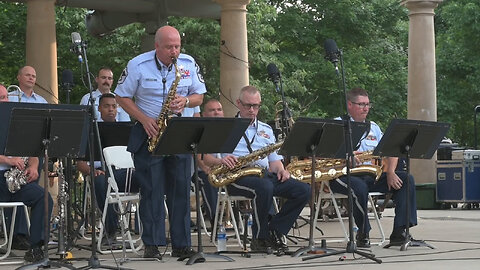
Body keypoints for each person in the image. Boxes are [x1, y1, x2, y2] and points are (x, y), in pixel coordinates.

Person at [115, 25, 206, 259]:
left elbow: (200, 96)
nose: (173, 51)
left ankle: (181, 244)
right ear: (157, 46)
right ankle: (152, 244)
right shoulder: (137, 65)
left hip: (179, 133)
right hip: (150, 131)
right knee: (152, 189)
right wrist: (144, 120)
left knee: (181, 190)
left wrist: (185, 101)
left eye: (177, 46)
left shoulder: (187, 63)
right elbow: (121, 96)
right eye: (168, 47)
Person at [206, 86, 310, 253]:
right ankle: (259, 238)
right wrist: (221, 160)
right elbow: (206, 158)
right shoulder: (225, 127)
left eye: (256, 106)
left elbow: (274, 162)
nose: (253, 110)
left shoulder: (266, 130)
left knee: (303, 190)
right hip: (236, 177)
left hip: (263, 175)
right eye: (248, 106)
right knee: (265, 188)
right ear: (239, 103)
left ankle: (274, 231)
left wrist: (282, 170)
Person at [329, 87, 418, 247]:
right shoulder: (337, 124)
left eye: (368, 104)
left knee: (407, 180)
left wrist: (390, 172)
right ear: (350, 104)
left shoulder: (374, 127)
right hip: (342, 175)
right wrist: (345, 157)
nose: (366, 108)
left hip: (369, 174)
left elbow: (392, 149)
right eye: (361, 104)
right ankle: (363, 233)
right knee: (359, 188)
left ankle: (400, 231)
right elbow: (325, 153)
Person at [0, 83, 54, 262]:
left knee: (44, 198)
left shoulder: (15, 123)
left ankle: (36, 247)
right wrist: (7, 160)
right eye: (1, 98)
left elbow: (32, 150)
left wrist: (32, 165)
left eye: (6, 97)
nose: (6, 101)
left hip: (13, 179)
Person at [77, 93, 138, 245]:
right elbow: (80, 163)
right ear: (99, 109)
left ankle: (152, 233)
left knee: (149, 176)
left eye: (114, 106)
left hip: (124, 173)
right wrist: (92, 172)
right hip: (101, 173)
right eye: (106, 106)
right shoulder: (90, 130)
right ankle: (110, 232)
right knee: (100, 182)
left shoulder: (128, 129)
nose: (111, 109)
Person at [195, 100, 223, 227]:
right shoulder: (199, 130)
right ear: (204, 114)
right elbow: (199, 157)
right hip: (202, 171)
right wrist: (205, 168)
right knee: (209, 179)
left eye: (219, 109)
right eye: (212, 110)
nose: (217, 113)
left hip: (224, 170)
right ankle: (215, 221)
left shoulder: (229, 129)